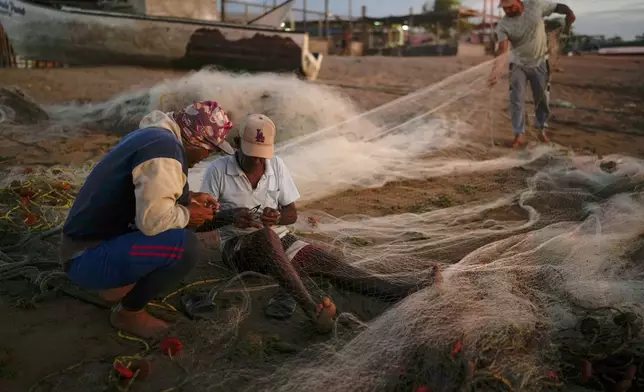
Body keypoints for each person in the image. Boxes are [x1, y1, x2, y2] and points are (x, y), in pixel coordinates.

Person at [199, 114, 439, 332]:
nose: (257, 162)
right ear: (238, 143)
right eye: (251, 154)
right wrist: (231, 217)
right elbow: (201, 223)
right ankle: (313, 310)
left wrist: (277, 217)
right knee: (266, 237)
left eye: (262, 156)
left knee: (332, 265)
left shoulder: (277, 166)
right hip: (237, 249)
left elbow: (291, 214)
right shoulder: (217, 171)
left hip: (281, 239)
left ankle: (400, 291)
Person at [59, 101, 234, 338]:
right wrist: (188, 214)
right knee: (186, 246)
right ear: (196, 140)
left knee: (179, 226)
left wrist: (189, 198)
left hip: (80, 246)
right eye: (209, 150)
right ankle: (129, 313)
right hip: (85, 259)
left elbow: (144, 190)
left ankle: (114, 284)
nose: (205, 157)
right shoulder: (166, 150)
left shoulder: (155, 137)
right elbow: (153, 221)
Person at [489, 0, 575, 148]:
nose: (507, 10)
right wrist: (495, 71)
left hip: (540, 62)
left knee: (542, 98)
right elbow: (502, 50)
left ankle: (541, 129)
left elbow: (557, 7)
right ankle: (518, 134)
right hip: (517, 64)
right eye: (504, 8)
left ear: (518, 1)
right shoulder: (503, 25)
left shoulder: (535, 5)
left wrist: (569, 13)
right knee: (516, 99)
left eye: (510, 6)